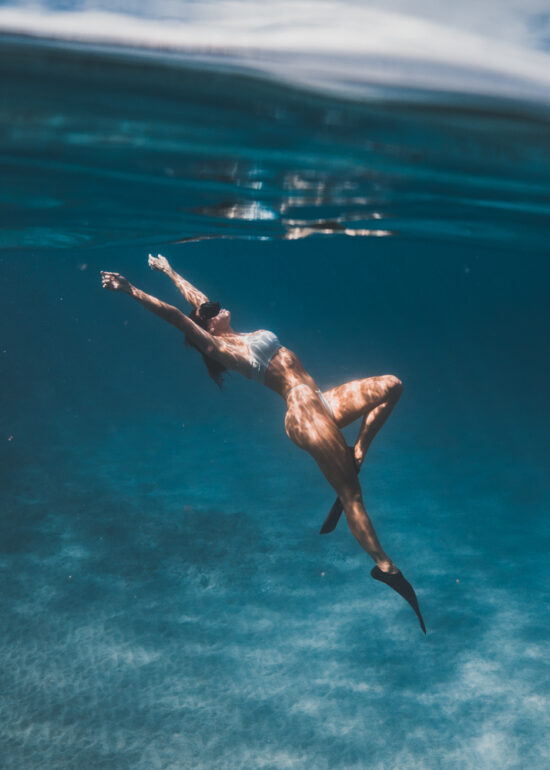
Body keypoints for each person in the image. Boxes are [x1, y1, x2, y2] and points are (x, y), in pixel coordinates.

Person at [100, 254, 426, 633]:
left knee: (392, 385)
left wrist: (169, 271)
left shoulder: (234, 331)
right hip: (302, 412)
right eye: (210, 311)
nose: (215, 306)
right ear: (206, 326)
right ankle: (385, 568)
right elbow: (177, 315)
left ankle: (357, 452)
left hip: (322, 398)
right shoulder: (219, 347)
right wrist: (131, 289)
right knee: (351, 494)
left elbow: (195, 300)